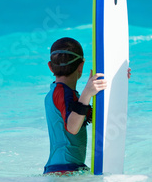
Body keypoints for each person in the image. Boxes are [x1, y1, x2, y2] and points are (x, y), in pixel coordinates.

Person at [43, 37, 107, 174]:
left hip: (61, 170)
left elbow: (93, 116)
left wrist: (119, 79)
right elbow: (72, 127)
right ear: (81, 66)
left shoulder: (58, 93)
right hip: (64, 171)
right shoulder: (62, 93)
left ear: (50, 66)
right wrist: (86, 93)